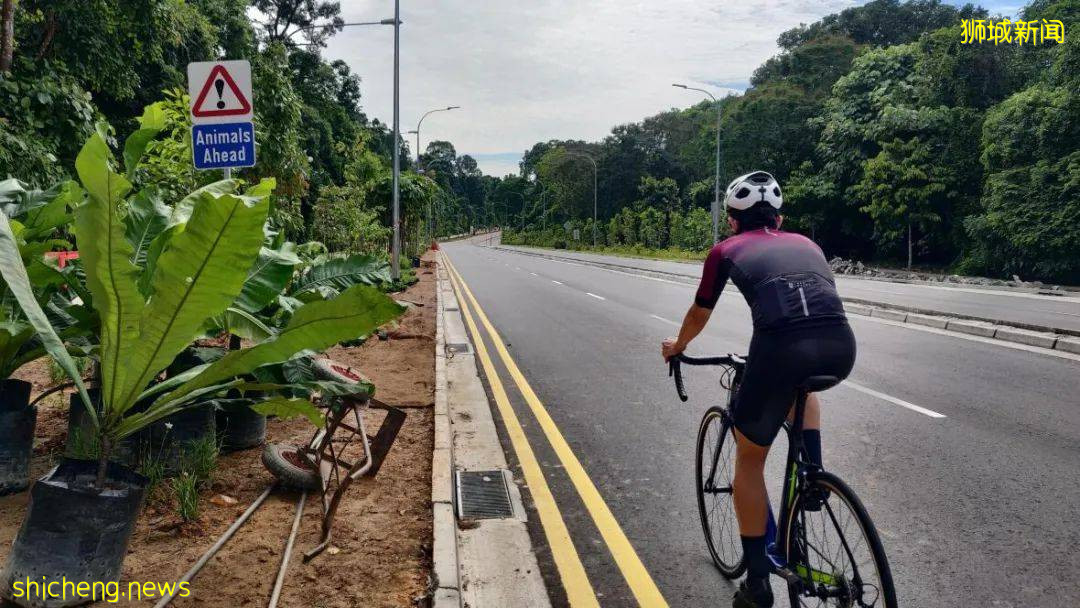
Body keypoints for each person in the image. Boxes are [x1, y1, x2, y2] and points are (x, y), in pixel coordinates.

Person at [661, 171, 856, 608]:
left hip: (780, 349)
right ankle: (813, 479)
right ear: (780, 218)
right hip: (840, 347)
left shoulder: (724, 250)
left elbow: (700, 311)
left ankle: (758, 585)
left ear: (732, 220)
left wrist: (679, 346)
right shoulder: (809, 245)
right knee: (804, 390)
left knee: (749, 463)